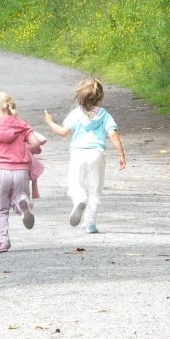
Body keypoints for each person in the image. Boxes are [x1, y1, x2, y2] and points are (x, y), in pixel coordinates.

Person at [43, 78, 127, 234]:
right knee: (95, 189)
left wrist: (49, 122)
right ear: (100, 96)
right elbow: (113, 134)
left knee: (76, 185)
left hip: (78, 154)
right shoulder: (104, 115)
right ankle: (90, 223)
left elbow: (62, 132)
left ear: (80, 96)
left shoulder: (75, 114)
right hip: (96, 154)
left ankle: (79, 199)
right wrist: (121, 154)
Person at [0, 91, 42, 253]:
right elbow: (36, 145)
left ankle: (2, 241)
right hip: (21, 171)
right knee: (19, 196)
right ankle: (21, 203)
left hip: (0, 171)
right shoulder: (22, 125)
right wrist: (24, 148)